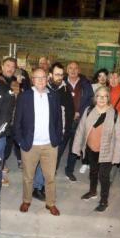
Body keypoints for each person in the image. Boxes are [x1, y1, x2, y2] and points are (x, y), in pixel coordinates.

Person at [14, 68, 63, 216]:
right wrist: (21, 142)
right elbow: (17, 122)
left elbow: (58, 120)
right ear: (32, 80)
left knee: (50, 177)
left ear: (47, 79)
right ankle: (26, 200)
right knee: (28, 177)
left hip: (49, 145)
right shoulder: (25, 97)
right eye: (37, 78)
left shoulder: (54, 96)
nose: (41, 80)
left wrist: (58, 138)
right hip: (30, 145)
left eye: (43, 77)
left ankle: (51, 203)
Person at [72, 86, 120, 212]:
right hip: (91, 149)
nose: (102, 98)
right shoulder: (89, 110)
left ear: (108, 98)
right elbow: (81, 130)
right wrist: (76, 147)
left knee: (104, 176)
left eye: (105, 96)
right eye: (99, 96)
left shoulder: (114, 114)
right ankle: (92, 191)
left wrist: (117, 157)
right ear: (95, 98)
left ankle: (104, 200)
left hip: (106, 151)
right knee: (93, 172)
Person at [31, 62, 74, 201]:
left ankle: (43, 185)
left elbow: (70, 112)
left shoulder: (66, 90)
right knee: (43, 162)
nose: (59, 77)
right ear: (50, 75)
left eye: (61, 75)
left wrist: (66, 131)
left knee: (53, 163)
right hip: (45, 134)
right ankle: (37, 187)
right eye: (56, 74)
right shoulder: (43, 88)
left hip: (60, 133)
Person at [64, 61, 94, 181]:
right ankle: (52, 168)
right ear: (67, 70)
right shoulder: (62, 82)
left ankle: (69, 170)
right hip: (65, 120)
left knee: (74, 147)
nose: (73, 70)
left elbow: (90, 100)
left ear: (79, 70)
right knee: (59, 146)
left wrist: (80, 113)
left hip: (79, 121)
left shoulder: (86, 84)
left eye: (75, 68)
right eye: (70, 68)